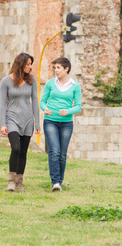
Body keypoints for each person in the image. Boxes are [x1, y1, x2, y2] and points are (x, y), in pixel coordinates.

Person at [0, 53, 40, 192]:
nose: (30, 67)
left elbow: (35, 102)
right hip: (12, 119)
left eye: (30, 64)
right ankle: (11, 181)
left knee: (23, 152)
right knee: (15, 148)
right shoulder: (6, 81)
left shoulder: (32, 81)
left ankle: (19, 183)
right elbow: (2, 104)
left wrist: (37, 124)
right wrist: (3, 123)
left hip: (27, 119)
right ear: (20, 64)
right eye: (28, 64)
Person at [40, 57, 81, 192]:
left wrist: (68, 111)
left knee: (62, 154)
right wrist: (45, 108)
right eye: (55, 68)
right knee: (54, 151)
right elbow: (43, 101)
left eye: (58, 68)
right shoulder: (50, 84)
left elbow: (78, 106)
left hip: (66, 123)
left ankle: (60, 181)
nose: (56, 70)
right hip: (50, 120)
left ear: (66, 69)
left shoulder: (75, 86)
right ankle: (55, 182)